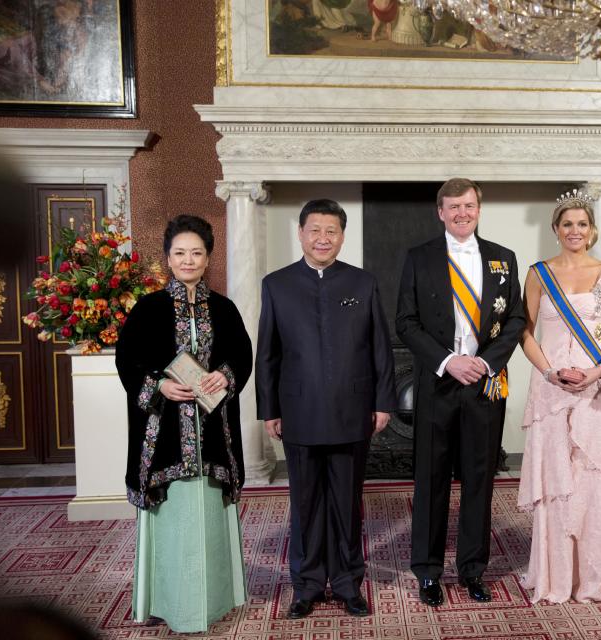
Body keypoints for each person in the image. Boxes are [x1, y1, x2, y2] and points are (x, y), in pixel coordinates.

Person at [256, 199, 396, 619]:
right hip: (297, 411)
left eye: (331, 230)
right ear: (300, 233)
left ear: (341, 236)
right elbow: (268, 352)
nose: (322, 238)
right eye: (314, 229)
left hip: (353, 411)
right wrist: (269, 409)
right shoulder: (276, 284)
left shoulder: (362, 283)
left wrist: (383, 402)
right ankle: (307, 584)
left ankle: (349, 583)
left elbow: (380, 349)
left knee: (348, 503)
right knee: (305, 503)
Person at [115, 215, 252, 633]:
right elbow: (128, 361)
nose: (188, 260)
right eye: (180, 253)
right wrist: (158, 386)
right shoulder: (148, 309)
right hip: (165, 435)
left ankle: (214, 601)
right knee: (173, 523)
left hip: (212, 434)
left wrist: (224, 376)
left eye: (196, 252)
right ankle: (171, 602)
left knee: (209, 517)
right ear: (168, 259)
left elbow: (242, 356)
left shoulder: (224, 309)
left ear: (208, 257)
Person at [396, 177, 526, 607]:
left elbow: (515, 321)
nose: (461, 213)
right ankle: (428, 571)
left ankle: (472, 569)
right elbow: (406, 322)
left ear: (479, 207)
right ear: (440, 212)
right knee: (431, 482)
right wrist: (448, 360)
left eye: (468, 205)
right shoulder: (418, 257)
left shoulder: (503, 259)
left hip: (485, 386)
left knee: (478, 482)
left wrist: (486, 363)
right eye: (453, 207)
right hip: (438, 384)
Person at [516, 190, 601, 603]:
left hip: (593, 388)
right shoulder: (537, 273)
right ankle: (554, 576)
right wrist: (549, 371)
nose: (575, 231)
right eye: (567, 224)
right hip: (550, 388)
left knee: (590, 476)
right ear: (556, 229)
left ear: (592, 230)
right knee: (556, 480)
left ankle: (594, 577)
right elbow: (524, 332)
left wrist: (597, 371)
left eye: (582, 224)